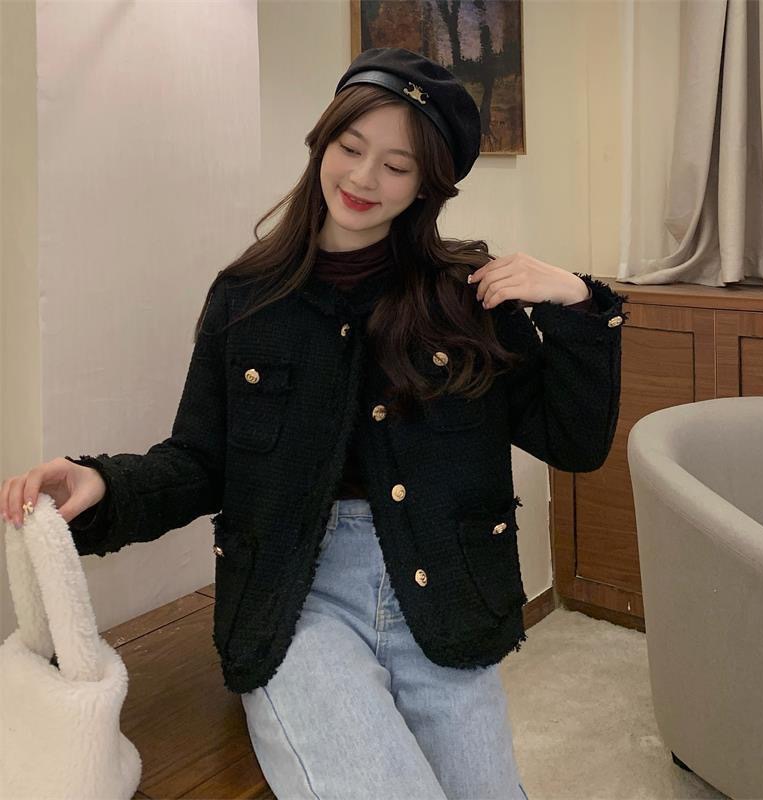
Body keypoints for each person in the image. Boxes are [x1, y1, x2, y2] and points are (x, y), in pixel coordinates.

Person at [1, 48, 627, 799]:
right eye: (350, 147)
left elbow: (574, 443)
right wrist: (102, 483)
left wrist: (580, 302)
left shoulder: (465, 296)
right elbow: (201, 460)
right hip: (295, 596)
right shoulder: (247, 298)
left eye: (396, 166)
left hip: (444, 590)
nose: (363, 179)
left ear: (426, 184)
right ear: (323, 141)